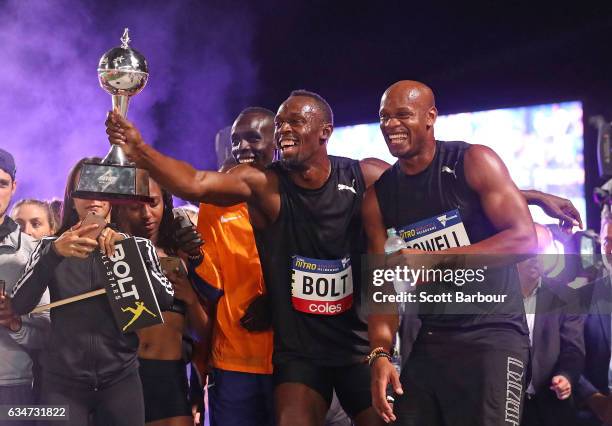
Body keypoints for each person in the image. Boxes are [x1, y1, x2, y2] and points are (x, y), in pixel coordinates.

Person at [105, 89, 583, 426]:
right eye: (281, 122)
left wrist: (534, 196)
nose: (284, 130)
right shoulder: (263, 186)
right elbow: (194, 183)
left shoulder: (366, 177)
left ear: (325, 132)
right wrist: (140, 148)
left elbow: (435, 195)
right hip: (301, 353)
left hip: (357, 346)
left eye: (294, 123)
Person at [363, 80, 558, 425]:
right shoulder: (379, 197)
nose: (391, 124)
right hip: (433, 338)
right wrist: (379, 352)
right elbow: (383, 288)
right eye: (384, 117)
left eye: (402, 114)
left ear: (430, 117)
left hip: (494, 336)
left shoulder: (474, 160)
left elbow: (524, 239)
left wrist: (438, 258)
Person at [9, 157, 174, 426]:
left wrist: (128, 254)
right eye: (85, 190)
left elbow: (166, 298)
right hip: (62, 384)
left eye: (102, 190)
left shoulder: (137, 245)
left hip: (120, 381)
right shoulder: (49, 246)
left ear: (112, 198)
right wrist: (54, 255)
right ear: (72, 199)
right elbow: (20, 305)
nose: (94, 199)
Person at [195, 107, 276, 426]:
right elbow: (208, 285)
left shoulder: (297, 196)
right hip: (232, 360)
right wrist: (191, 259)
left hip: (291, 359)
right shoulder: (215, 203)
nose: (242, 147)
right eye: (236, 140)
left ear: (276, 142)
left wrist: (277, 300)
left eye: (253, 138)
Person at [114, 177, 210, 426]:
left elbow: (206, 335)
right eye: (136, 206)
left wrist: (190, 298)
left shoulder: (182, 255)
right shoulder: (111, 254)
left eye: (153, 203)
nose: (146, 214)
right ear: (121, 208)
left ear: (166, 204)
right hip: (119, 380)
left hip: (170, 381)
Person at [0, 149, 50, 426]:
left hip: (12, 388)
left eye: (1, 184)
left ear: (13, 187)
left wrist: (15, 323)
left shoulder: (33, 252)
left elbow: (48, 333)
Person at [518, 224, 585, 426]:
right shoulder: (493, 295)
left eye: (542, 251)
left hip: (551, 407)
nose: (535, 257)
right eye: (530, 249)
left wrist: (565, 377)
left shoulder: (566, 298)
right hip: (502, 406)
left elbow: (573, 350)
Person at [575, 207, 612, 426]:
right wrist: (594, 399)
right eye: (607, 241)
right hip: (596, 414)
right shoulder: (582, 298)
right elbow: (563, 353)